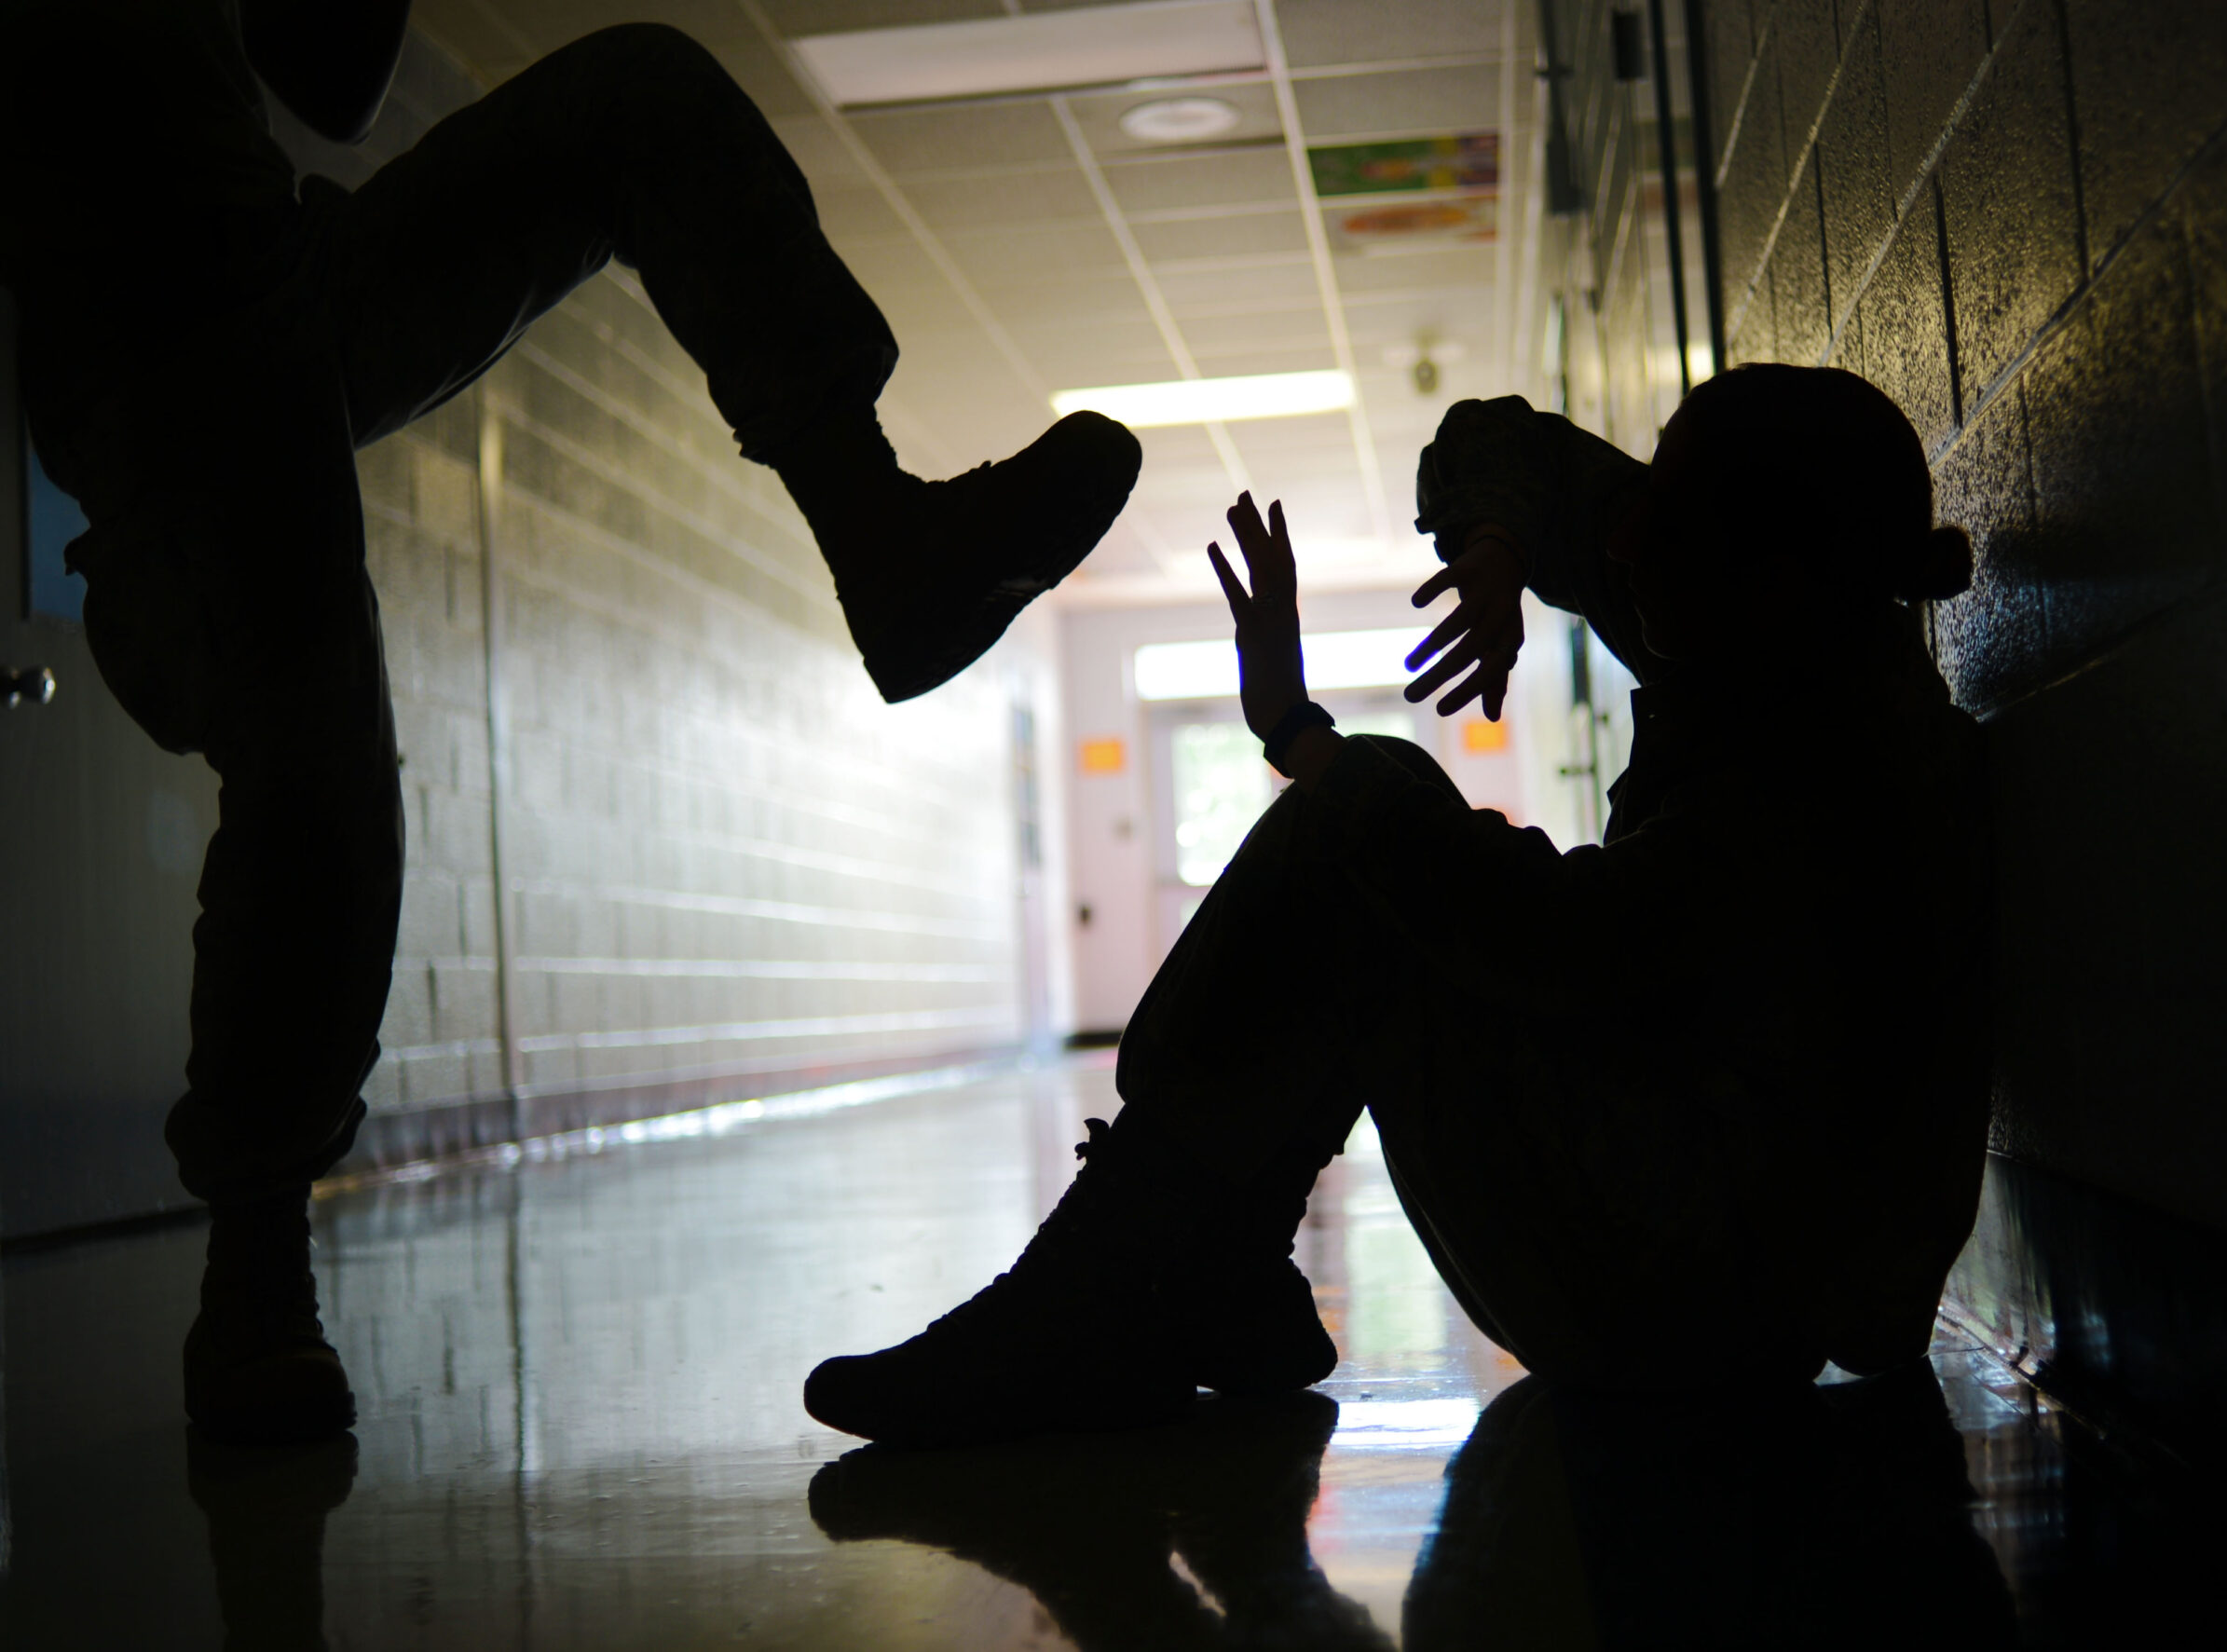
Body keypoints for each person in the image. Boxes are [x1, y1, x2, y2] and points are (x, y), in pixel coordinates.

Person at [0, 2, 1141, 1444]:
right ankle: (255, 1273)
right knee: (321, 764)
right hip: (146, 334)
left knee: (644, 102)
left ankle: (882, 542)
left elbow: (330, 78)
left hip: (275, 273)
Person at [803, 366, 1992, 1446]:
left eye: (1664, 523)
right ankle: (1194, 1281)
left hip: (1692, 1307)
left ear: (1774, 580)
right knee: (1380, 814)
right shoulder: (1761, 615)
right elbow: (1503, 441)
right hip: (1690, 1242)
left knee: (1366, 820)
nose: (1622, 543)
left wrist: (1300, 737)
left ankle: (1095, 1305)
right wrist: (1493, 546)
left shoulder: (1841, 764)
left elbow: (1555, 942)